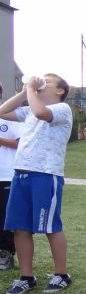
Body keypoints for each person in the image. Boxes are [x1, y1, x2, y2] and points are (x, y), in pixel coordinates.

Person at [0, 74, 73, 294]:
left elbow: (42, 113)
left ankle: (61, 275)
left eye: (47, 82)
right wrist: (24, 92)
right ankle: (26, 277)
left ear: (60, 91)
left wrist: (32, 89)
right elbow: (2, 111)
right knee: (20, 228)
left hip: (46, 174)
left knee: (50, 226)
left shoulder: (62, 109)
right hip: (20, 174)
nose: (41, 83)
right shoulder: (29, 109)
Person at [0, 83, 23, 271]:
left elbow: (20, 143)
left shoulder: (9, 116)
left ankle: (6, 253)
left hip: (5, 175)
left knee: (4, 218)